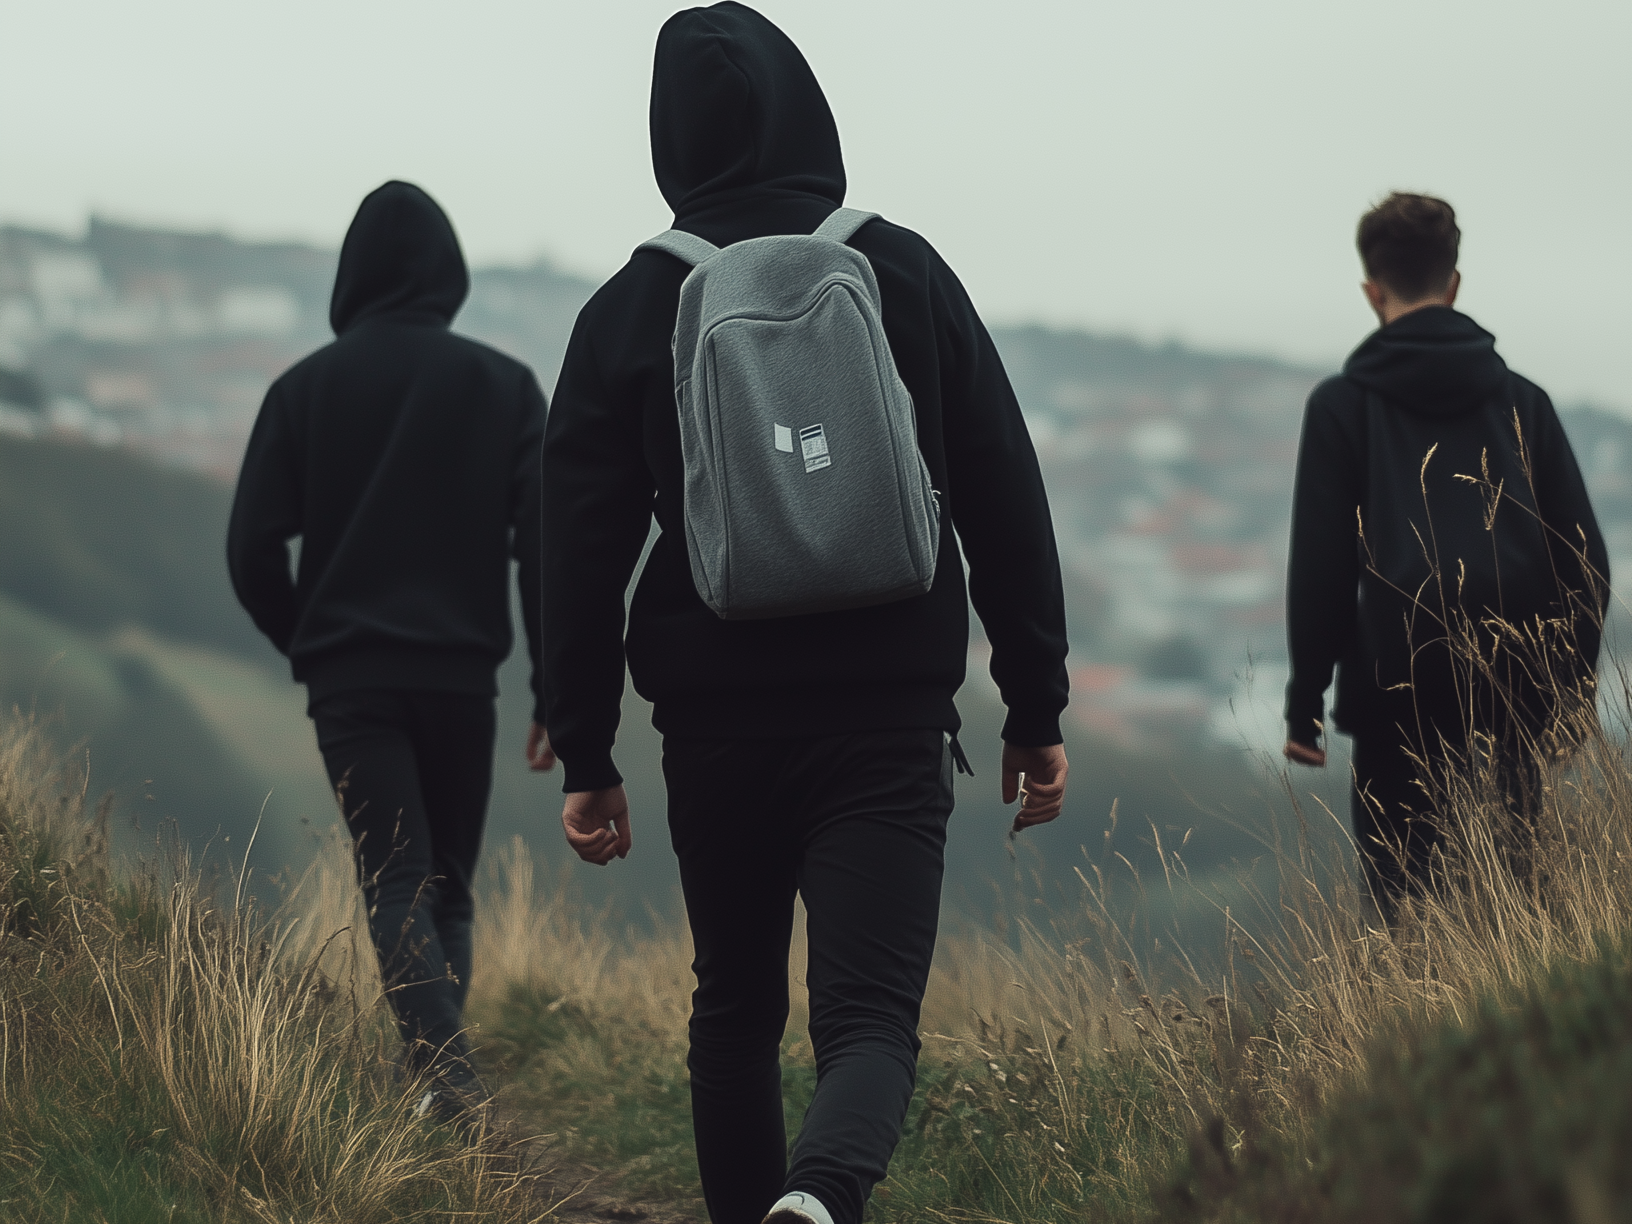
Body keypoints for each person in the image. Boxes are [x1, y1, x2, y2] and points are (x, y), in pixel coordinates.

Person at [539, 6, 1071, 1223]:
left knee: (732, 1005)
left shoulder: (634, 303)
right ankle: (823, 1200)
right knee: (871, 1018)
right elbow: (1001, 485)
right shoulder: (901, 268)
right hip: (886, 715)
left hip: (715, 723)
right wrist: (1033, 705)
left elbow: (576, 543)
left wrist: (585, 747)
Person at [227, 181, 554, 1120]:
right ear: (448, 274)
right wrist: (552, 688)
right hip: (463, 682)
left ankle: (439, 1078)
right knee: (448, 882)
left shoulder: (303, 391)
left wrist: (308, 644)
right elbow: (542, 550)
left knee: (395, 877)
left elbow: (249, 548)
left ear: (350, 276)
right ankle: (442, 1078)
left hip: (352, 683)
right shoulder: (503, 387)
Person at [1283, 191, 1608, 922]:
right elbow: (1585, 559)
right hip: (1517, 680)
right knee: (1516, 894)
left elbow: (1322, 570)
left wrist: (1305, 706)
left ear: (1373, 291)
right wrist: (1569, 686)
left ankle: (1419, 1030)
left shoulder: (1340, 407)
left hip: (1393, 684)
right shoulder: (1525, 402)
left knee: (1405, 901)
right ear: (1454, 283)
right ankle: (1523, 1028)